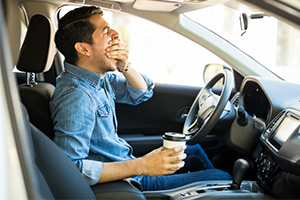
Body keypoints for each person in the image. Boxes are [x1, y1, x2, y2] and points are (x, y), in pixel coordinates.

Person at [51, 6, 232, 191]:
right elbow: (71, 168)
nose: (116, 35)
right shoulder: (77, 96)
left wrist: (125, 66)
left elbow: (141, 92)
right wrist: (142, 165)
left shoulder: (96, 78)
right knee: (222, 179)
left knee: (193, 151)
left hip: (128, 166)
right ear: (83, 49)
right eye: (106, 32)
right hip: (130, 181)